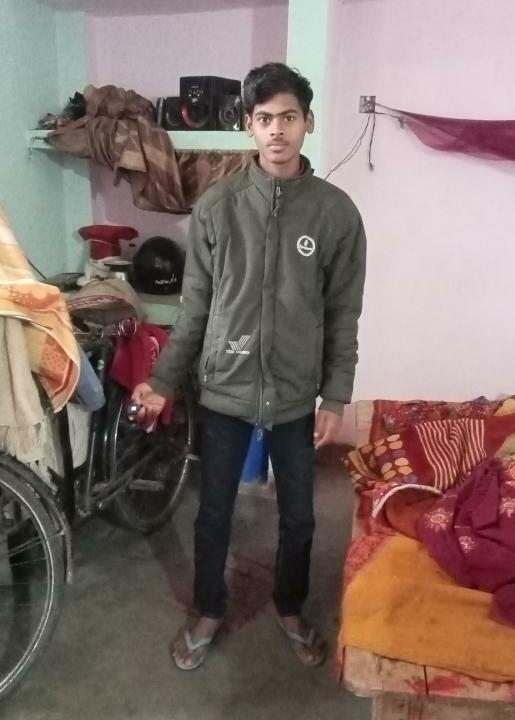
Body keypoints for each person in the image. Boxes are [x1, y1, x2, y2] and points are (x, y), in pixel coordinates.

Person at [131, 62, 366, 670]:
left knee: (301, 515)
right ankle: (209, 609)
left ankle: (290, 606)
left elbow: (343, 314)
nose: (277, 130)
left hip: (295, 394)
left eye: (288, 117)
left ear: (308, 122)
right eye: (264, 119)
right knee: (213, 512)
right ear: (248, 126)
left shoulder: (336, 214)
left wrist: (335, 397)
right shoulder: (218, 207)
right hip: (226, 389)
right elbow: (195, 310)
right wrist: (161, 381)